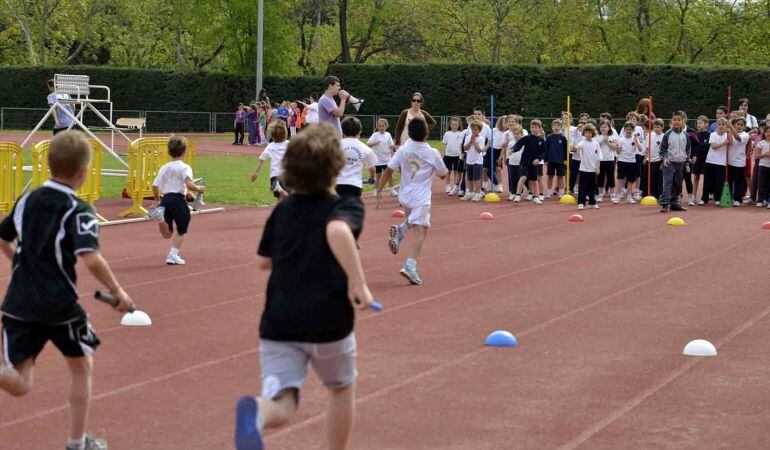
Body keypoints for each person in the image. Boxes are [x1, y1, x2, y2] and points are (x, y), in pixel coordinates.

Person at [235, 123, 374, 450]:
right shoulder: (345, 207)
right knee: (341, 387)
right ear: (337, 167)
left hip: (279, 319)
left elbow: (264, 260)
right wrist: (359, 284)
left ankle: (258, 412)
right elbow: (338, 232)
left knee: (283, 400)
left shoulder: (282, 209)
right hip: (328, 320)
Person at [0, 130, 135, 450]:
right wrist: (119, 292)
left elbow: (4, 238)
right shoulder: (79, 209)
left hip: (18, 300)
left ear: (48, 165)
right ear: (84, 172)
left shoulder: (26, 200)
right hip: (58, 303)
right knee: (82, 365)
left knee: (20, 382)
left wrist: (20, 261)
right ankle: (77, 443)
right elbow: (91, 258)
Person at [376, 117, 447, 285]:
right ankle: (410, 266)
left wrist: (378, 190)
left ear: (409, 134)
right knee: (421, 230)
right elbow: (443, 174)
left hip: (404, 196)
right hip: (421, 198)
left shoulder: (403, 149)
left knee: (413, 221)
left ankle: (400, 231)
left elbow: (389, 170)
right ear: (427, 134)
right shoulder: (432, 153)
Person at [148, 136, 205, 265]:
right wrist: (199, 188)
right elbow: (189, 184)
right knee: (182, 228)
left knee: (167, 233)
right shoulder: (185, 167)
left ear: (169, 151)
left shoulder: (164, 167)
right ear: (184, 151)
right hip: (178, 199)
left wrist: (157, 199)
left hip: (166, 200)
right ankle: (173, 255)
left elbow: (155, 185)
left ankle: (160, 218)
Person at [659, 112, 691, 212]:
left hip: (680, 163)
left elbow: (688, 149)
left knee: (678, 184)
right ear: (671, 121)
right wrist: (664, 158)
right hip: (669, 163)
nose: (676, 121)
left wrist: (687, 163)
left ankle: (675, 203)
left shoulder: (685, 135)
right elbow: (662, 149)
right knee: (668, 183)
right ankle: (664, 204)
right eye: (674, 119)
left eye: (679, 119)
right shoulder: (667, 134)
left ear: (683, 121)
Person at [336, 117, 377, 198]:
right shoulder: (365, 148)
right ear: (359, 131)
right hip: (355, 185)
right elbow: (372, 169)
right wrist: (372, 177)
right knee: (352, 208)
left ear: (343, 131)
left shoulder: (335, 145)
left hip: (337, 183)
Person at [250, 121, 289, 201]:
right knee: (288, 198)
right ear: (285, 134)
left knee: (279, 198)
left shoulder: (270, 146)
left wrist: (256, 172)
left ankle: (279, 189)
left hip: (275, 175)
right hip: (287, 174)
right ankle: (280, 190)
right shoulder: (289, 144)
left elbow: (262, 159)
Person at [511, 119, 546, 204]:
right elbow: (518, 144)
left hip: (534, 164)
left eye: (536, 127)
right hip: (525, 162)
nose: (534, 129)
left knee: (534, 180)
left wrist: (538, 159)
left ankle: (536, 197)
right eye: (532, 127)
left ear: (540, 128)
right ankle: (518, 195)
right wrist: (513, 149)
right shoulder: (526, 138)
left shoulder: (542, 141)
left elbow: (543, 153)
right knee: (523, 177)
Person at [701, 118, 731, 205]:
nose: (721, 126)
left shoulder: (727, 135)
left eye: (723, 125)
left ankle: (717, 198)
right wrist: (724, 143)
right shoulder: (713, 134)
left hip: (721, 162)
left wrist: (729, 132)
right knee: (707, 180)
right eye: (719, 124)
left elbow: (731, 141)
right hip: (710, 161)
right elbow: (713, 146)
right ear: (716, 126)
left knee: (719, 182)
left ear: (726, 126)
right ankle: (704, 198)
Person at [368, 118, 398, 197]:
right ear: (377, 127)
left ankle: (392, 191)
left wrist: (395, 147)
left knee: (389, 175)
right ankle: (376, 191)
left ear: (386, 126)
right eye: (379, 126)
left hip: (387, 159)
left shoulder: (388, 134)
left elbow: (391, 145)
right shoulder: (375, 135)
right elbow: (369, 144)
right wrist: (375, 143)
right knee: (378, 175)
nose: (381, 128)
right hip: (378, 160)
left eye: (383, 126)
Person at [575, 124, 601, 209]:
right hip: (583, 169)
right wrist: (575, 148)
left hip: (593, 169)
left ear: (593, 133)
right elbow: (578, 147)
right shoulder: (582, 142)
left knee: (592, 187)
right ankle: (581, 203)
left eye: (589, 132)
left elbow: (598, 157)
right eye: (586, 132)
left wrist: (597, 167)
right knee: (582, 187)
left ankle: (592, 203)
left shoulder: (596, 144)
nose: (587, 134)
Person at [460, 120, 487, 201]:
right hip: (469, 160)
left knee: (477, 178)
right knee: (470, 178)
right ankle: (470, 193)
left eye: (476, 129)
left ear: (479, 130)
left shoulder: (481, 139)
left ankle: (478, 193)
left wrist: (474, 142)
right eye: (472, 129)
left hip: (477, 161)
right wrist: (470, 142)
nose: (474, 131)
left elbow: (480, 150)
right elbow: (465, 148)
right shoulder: (468, 137)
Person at [616, 122, 642, 204]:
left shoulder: (635, 139)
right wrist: (616, 146)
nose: (628, 131)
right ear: (624, 130)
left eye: (630, 129)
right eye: (626, 129)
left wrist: (636, 141)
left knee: (631, 181)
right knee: (620, 179)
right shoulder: (620, 140)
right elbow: (618, 151)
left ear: (633, 130)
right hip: (622, 161)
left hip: (632, 162)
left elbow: (640, 149)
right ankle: (617, 196)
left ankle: (629, 197)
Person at [726, 117, 750, 206]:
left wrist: (730, 126)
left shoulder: (745, 135)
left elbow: (738, 138)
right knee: (729, 181)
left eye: (742, 125)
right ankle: (729, 198)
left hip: (739, 162)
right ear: (735, 124)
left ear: (744, 127)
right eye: (738, 124)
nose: (739, 126)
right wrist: (728, 128)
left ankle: (738, 199)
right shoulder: (729, 132)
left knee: (738, 181)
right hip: (729, 161)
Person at [641, 118, 665, 199]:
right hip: (649, 160)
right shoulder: (650, 135)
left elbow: (665, 150)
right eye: (654, 127)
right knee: (646, 177)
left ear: (662, 127)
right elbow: (647, 147)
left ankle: (656, 194)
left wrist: (663, 162)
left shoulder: (664, 137)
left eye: (658, 127)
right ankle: (645, 193)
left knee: (657, 178)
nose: (656, 129)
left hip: (658, 160)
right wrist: (645, 158)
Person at [441, 117, 465, 195]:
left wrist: (461, 154)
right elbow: (444, 144)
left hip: (457, 156)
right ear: (450, 125)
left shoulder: (461, 133)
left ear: (458, 125)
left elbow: (462, 145)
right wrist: (443, 155)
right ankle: (448, 186)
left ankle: (455, 186)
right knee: (448, 171)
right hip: (448, 155)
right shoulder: (447, 133)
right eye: (453, 125)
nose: (454, 126)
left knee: (456, 172)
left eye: (456, 125)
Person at [545, 119, 567, 197]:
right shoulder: (549, 137)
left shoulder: (563, 138)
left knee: (560, 176)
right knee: (550, 176)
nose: (556, 127)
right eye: (554, 125)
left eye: (558, 125)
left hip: (560, 161)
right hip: (551, 160)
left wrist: (565, 159)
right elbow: (546, 149)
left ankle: (561, 192)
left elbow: (565, 150)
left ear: (561, 127)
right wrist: (546, 160)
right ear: (552, 127)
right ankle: (549, 191)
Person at [596, 120, 617, 202]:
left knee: (611, 177)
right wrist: (602, 140)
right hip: (600, 160)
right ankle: (600, 195)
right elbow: (596, 146)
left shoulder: (612, 137)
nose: (603, 128)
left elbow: (615, 148)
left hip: (610, 160)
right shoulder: (597, 136)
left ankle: (612, 195)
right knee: (600, 177)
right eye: (601, 127)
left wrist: (607, 141)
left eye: (605, 127)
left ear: (609, 128)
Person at [692, 116, 711, 205]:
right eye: (698, 123)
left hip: (706, 159)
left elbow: (707, 146)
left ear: (706, 124)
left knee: (706, 179)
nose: (698, 125)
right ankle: (693, 196)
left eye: (701, 123)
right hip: (697, 159)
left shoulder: (709, 135)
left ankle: (704, 197)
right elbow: (694, 147)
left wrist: (700, 145)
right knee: (696, 177)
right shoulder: (695, 135)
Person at [754, 126, 770, 208]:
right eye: (767, 131)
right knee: (762, 183)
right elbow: (756, 156)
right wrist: (765, 154)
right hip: (763, 165)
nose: (768, 133)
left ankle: (768, 200)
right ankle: (760, 200)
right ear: (764, 133)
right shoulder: (761, 143)